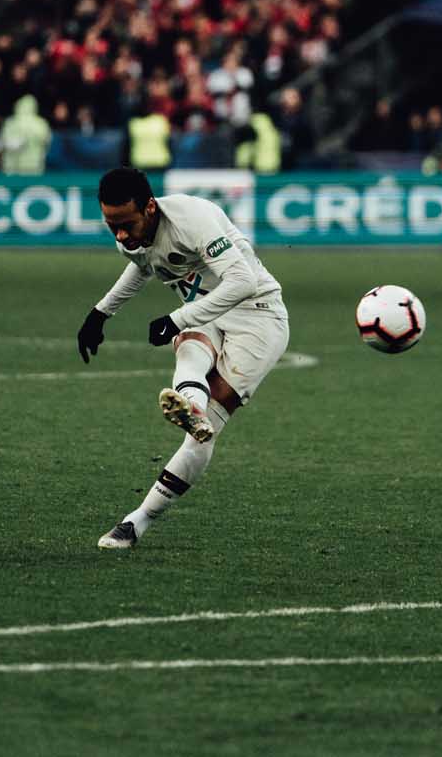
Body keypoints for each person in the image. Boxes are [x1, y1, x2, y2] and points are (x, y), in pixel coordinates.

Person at [76, 167, 290, 551]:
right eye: (111, 226)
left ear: (150, 207)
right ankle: (192, 406)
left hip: (258, 317)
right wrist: (100, 313)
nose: (120, 235)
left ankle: (138, 520)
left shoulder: (192, 218)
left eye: (126, 224)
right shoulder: (131, 235)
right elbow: (143, 266)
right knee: (191, 346)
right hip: (206, 313)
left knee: (205, 424)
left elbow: (242, 281)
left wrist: (177, 318)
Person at [0, 94, 51, 175]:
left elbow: (46, 140)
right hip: (12, 165)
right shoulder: (10, 122)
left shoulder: (40, 123)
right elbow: (4, 141)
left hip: (33, 164)